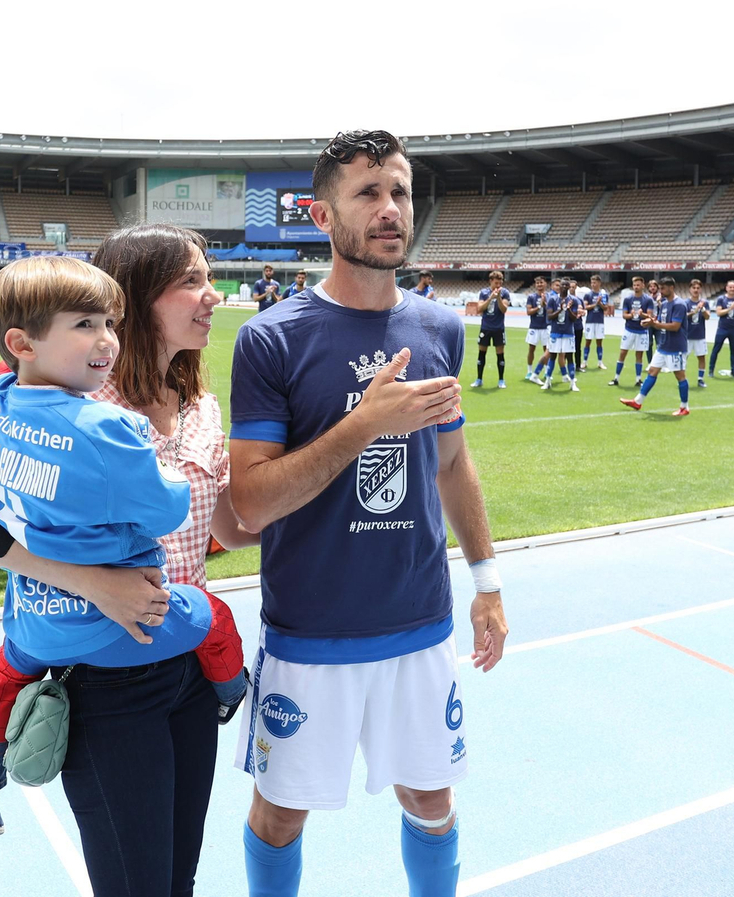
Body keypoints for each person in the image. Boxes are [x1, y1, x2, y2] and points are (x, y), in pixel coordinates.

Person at [228, 129, 508, 897]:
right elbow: (249, 501)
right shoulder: (270, 338)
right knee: (281, 814)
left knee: (432, 799)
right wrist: (364, 425)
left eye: (401, 192)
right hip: (311, 630)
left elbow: (451, 462)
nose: (390, 209)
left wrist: (486, 580)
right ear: (322, 216)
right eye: (368, 194)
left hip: (419, 620)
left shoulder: (438, 327)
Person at [0, 224, 260, 896]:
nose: (214, 296)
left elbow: (225, 526)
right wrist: (91, 581)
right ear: (142, 293)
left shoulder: (200, 404)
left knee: (178, 876)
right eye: (193, 282)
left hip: (189, 666)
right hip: (105, 676)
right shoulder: (67, 397)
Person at [619, 276, 692, 417]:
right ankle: (638, 401)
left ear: (671, 288)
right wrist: (649, 320)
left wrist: (655, 324)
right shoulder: (664, 304)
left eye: (663, 288)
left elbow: (675, 326)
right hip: (663, 345)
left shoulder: (679, 304)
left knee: (680, 376)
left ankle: (685, 407)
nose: (661, 291)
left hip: (676, 347)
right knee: (652, 371)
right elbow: (659, 320)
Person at [610, 275, 653, 387]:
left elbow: (649, 316)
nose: (636, 287)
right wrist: (631, 314)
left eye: (638, 285)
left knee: (639, 355)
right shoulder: (628, 299)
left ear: (643, 285)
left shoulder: (648, 300)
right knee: (623, 353)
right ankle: (616, 378)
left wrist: (641, 314)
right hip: (629, 330)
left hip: (642, 331)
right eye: (634, 285)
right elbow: (624, 315)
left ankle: (638, 379)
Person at [471, 270, 509, 388]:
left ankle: (501, 380)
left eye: (500, 283)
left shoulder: (505, 293)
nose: (498, 285)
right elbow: (479, 309)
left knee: (500, 354)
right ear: (491, 281)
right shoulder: (484, 292)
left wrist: (498, 298)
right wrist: (490, 298)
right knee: (482, 353)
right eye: (496, 283)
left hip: (498, 328)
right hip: (486, 327)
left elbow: (504, 309)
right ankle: (479, 379)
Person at [542, 285, 581, 391]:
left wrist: (568, 309)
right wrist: (560, 309)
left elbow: (574, 319)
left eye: (566, 285)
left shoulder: (574, 300)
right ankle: (548, 381)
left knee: (569, 357)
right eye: (562, 285)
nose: (563, 287)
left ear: (568, 287)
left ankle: (572, 383)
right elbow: (549, 316)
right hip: (555, 332)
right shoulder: (552, 299)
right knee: (552, 356)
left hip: (568, 333)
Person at [708, 280, 734, 378]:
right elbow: (718, 313)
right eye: (730, 287)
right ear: (726, 288)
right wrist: (730, 308)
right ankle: (711, 370)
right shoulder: (721, 299)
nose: (732, 289)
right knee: (716, 349)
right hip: (722, 328)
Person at [521, 275, 551, 383]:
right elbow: (528, 312)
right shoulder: (531, 297)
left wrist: (545, 304)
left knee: (546, 350)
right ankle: (529, 371)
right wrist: (539, 306)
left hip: (545, 327)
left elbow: (552, 311)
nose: (539, 285)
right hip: (534, 326)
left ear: (545, 284)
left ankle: (547, 371)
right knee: (531, 349)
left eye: (541, 282)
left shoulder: (550, 297)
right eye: (537, 283)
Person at [581, 274, 611, 370]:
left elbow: (606, 308)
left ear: (599, 283)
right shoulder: (588, 295)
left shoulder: (603, 294)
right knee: (588, 342)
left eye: (595, 282)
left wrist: (600, 303)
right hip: (590, 321)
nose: (593, 284)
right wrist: (596, 304)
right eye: (592, 282)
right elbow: (586, 307)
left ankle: (600, 362)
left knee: (599, 342)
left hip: (599, 321)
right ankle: (584, 362)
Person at [684, 279, 710, 389]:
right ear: (690, 289)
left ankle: (700, 379)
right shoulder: (685, 303)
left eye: (698, 288)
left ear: (701, 289)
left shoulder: (705, 303)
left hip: (700, 335)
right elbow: (683, 316)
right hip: (687, 335)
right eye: (693, 288)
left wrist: (702, 309)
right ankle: (682, 379)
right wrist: (693, 312)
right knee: (684, 357)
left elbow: (708, 317)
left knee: (701, 357)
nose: (695, 290)